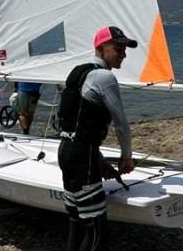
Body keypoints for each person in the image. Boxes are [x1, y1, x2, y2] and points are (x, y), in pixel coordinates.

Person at [57, 26, 136, 251]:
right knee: (96, 230)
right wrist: (126, 157)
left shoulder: (78, 73)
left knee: (76, 221)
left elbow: (76, 123)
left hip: (66, 151)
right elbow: (121, 124)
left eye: (124, 50)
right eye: (117, 49)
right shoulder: (104, 76)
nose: (123, 55)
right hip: (82, 155)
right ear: (100, 48)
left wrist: (99, 160)